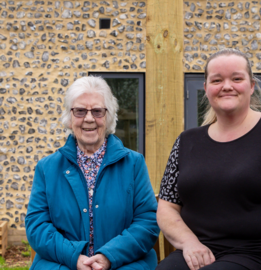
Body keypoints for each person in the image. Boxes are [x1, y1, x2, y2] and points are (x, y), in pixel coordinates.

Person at [156, 49, 261, 270]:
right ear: (206, 88)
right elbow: (167, 207)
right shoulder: (186, 141)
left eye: (237, 78)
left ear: (252, 86)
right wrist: (189, 243)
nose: (227, 86)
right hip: (199, 250)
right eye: (217, 80)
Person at [26, 76, 160, 270]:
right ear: (70, 117)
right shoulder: (47, 168)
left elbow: (147, 221)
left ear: (108, 116)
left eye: (97, 111)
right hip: (62, 263)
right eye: (80, 111)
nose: (89, 118)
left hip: (123, 263)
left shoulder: (134, 164)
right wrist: (74, 258)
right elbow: (37, 225)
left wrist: (108, 257)